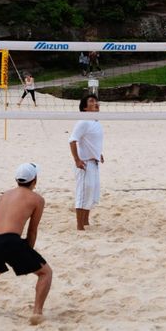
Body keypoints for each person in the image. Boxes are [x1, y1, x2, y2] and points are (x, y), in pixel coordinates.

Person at [0, 162, 52, 325]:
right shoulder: (37, 199)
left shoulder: (5, 194)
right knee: (45, 273)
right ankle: (37, 313)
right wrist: (28, 252)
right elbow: (32, 231)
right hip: (10, 241)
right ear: (35, 179)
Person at [69, 94, 104, 231]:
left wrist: (99, 154)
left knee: (91, 194)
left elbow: (92, 142)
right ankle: (79, 227)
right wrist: (77, 160)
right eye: (92, 101)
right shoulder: (83, 121)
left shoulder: (96, 122)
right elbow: (72, 141)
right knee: (82, 194)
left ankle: (86, 222)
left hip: (94, 162)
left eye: (96, 101)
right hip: (84, 163)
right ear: (84, 107)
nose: (96, 103)